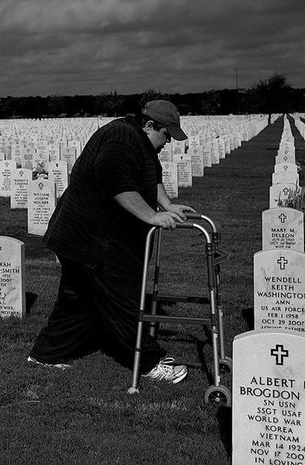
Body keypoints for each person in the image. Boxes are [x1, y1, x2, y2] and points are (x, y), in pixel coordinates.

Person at [27, 100, 196, 384]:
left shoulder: (140, 141)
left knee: (77, 299)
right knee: (122, 298)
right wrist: (151, 216)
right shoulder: (122, 138)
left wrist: (166, 205)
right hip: (92, 237)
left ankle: (46, 354)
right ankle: (150, 362)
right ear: (150, 125)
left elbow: (150, 176)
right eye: (166, 135)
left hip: (82, 236)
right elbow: (114, 181)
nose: (168, 142)